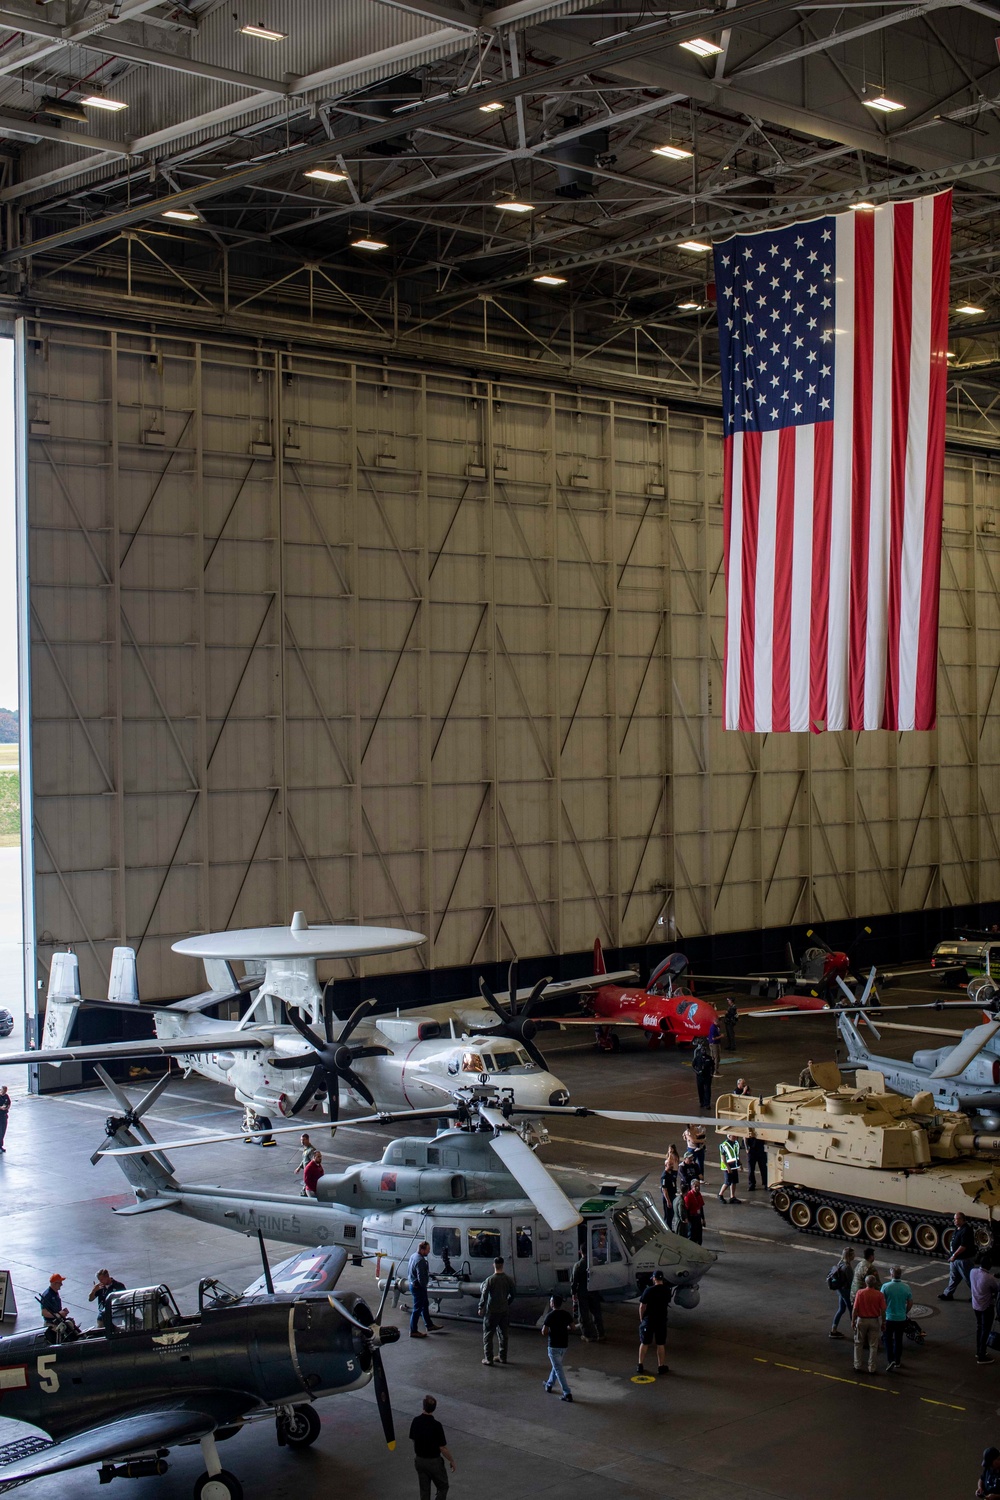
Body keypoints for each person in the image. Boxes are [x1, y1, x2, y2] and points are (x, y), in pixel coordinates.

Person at [408, 1394, 455, 1500]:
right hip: (434, 1462)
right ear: (434, 1409)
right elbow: (442, 1448)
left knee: (424, 1491)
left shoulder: (416, 1421)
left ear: (423, 1406)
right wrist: (451, 1460)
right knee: (443, 1487)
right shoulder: (436, 1425)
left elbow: (413, 1438)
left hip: (420, 1461)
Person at [478, 1255, 515, 1366]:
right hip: (504, 1311)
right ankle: (503, 1357)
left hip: (492, 1311)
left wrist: (481, 1307)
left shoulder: (490, 1280)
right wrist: (507, 1303)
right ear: (503, 1265)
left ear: (494, 1265)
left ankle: (488, 1359)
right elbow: (513, 1294)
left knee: (488, 1335)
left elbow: (484, 1295)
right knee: (503, 1335)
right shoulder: (508, 1279)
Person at [637, 1269, 672, 1376]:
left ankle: (640, 1365)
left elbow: (642, 1306)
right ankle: (661, 1366)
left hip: (649, 1320)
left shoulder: (648, 1291)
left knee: (644, 1342)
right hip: (661, 1320)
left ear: (654, 1278)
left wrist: (642, 1318)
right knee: (660, 1344)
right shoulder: (667, 1290)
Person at [541, 1294, 575, 1401]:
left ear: (552, 1304)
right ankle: (549, 1384)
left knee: (558, 1368)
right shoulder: (566, 1314)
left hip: (553, 1345)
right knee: (556, 1366)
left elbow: (544, 1332)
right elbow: (573, 1327)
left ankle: (567, 1393)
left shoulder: (549, 1316)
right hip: (564, 1345)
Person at [880, 1265, 912, 1373]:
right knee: (899, 1340)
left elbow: (881, 1301)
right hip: (901, 1318)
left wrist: (882, 1314)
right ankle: (898, 1361)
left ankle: (890, 1360)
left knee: (888, 1339)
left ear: (892, 1274)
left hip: (889, 1318)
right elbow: (910, 1302)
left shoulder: (885, 1286)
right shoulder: (906, 1287)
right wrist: (905, 1311)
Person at [852, 1273, 885, 1375]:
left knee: (858, 1343)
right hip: (874, 1320)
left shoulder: (860, 1293)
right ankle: (872, 1367)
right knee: (873, 1345)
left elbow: (855, 1308)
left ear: (865, 1283)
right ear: (874, 1283)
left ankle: (857, 1365)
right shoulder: (879, 1295)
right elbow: (883, 1310)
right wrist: (883, 1322)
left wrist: (853, 1320)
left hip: (862, 1320)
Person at [408, 1242, 443, 1338]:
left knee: (424, 1305)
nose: (429, 1251)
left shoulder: (413, 1256)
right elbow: (421, 1278)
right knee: (417, 1309)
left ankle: (429, 1325)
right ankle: (413, 1331)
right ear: (422, 1250)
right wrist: (425, 1287)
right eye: (428, 1249)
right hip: (419, 1288)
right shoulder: (421, 1261)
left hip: (413, 1284)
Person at [940, 1212, 977, 1300]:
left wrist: (954, 1255)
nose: (954, 1221)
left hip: (964, 1259)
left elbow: (963, 1246)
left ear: (961, 1219)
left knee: (969, 1278)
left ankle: (976, 1295)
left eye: (956, 1219)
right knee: (953, 1278)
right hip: (956, 1259)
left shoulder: (966, 1230)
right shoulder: (958, 1229)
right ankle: (947, 1294)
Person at [970, 1256, 1000, 1365]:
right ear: (990, 1266)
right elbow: (997, 1289)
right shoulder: (989, 1278)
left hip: (976, 1305)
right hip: (986, 1307)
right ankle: (982, 1355)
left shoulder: (973, 1272)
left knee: (979, 1328)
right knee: (985, 1330)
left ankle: (979, 1351)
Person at [828, 1247, 855, 1338]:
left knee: (841, 1309)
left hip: (840, 1290)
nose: (854, 1256)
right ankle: (856, 1332)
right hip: (846, 1291)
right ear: (850, 1256)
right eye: (853, 1254)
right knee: (852, 1311)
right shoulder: (847, 1267)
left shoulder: (840, 1263)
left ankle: (833, 1330)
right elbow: (851, 1282)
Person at [571, 1251, 598, 1341]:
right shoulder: (594, 1262)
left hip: (583, 1292)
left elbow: (574, 1281)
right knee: (596, 1312)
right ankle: (600, 1334)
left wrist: (573, 1293)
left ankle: (587, 1335)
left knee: (583, 1315)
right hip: (593, 1290)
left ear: (580, 1252)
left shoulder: (578, 1265)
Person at [717, 1133, 742, 1204]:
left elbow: (737, 1154)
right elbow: (723, 1158)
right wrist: (728, 1168)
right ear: (729, 1136)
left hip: (734, 1166)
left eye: (735, 1136)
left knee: (734, 1182)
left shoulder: (736, 1143)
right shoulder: (724, 1145)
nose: (735, 1137)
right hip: (727, 1167)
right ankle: (720, 1194)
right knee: (727, 1182)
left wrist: (740, 1164)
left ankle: (732, 1197)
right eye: (733, 1136)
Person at [693, 1042, 716, 1109]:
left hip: (707, 1076)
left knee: (707, 1090)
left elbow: (713, 1066)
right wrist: (697, 1072)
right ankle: (701, 1102)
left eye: (705, 1050)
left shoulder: (709, 1058)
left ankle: (707, 1103)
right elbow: (693, 1066)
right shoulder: (697, 1058)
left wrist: (712, 1073)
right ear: (700, 1051)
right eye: (702, 1050)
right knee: (700, 1090)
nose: (704, 1051)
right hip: (700, 1077)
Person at [682, 1179, 705, 1244]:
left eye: (698, 1186)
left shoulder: (699, 1194)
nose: (697, 1188)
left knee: (699, 1236)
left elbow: (701, 1206)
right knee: (692, 1236)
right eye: (695, 1186)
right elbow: (686, 1209)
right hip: (692, 1218)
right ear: (692, 1187)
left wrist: (703, 1218)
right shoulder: (688, 1196)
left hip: (698, 1217)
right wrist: (688, 1221)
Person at [661, 1145, 679, 1226]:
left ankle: (670, 1228)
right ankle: (667, 1228)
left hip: (672, 1195)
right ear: (666, 1165)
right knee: (668, 1215)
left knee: (671, 1214)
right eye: (670, 1165)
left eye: (672, 1164)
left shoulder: (671, 1174)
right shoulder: (664, 1176)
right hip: (668, 1197)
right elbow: (664, 1189)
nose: (671, 1166)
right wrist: (668, 1200)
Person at [0, 1084, 10, 1151]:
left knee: (3, 1131)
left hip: (4, 1115)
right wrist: (1, 1108)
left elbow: (9, 1103)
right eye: (3, 1090)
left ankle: (1, 1145)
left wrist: (7, 1107)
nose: (4, 1092)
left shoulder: (6, 1096)